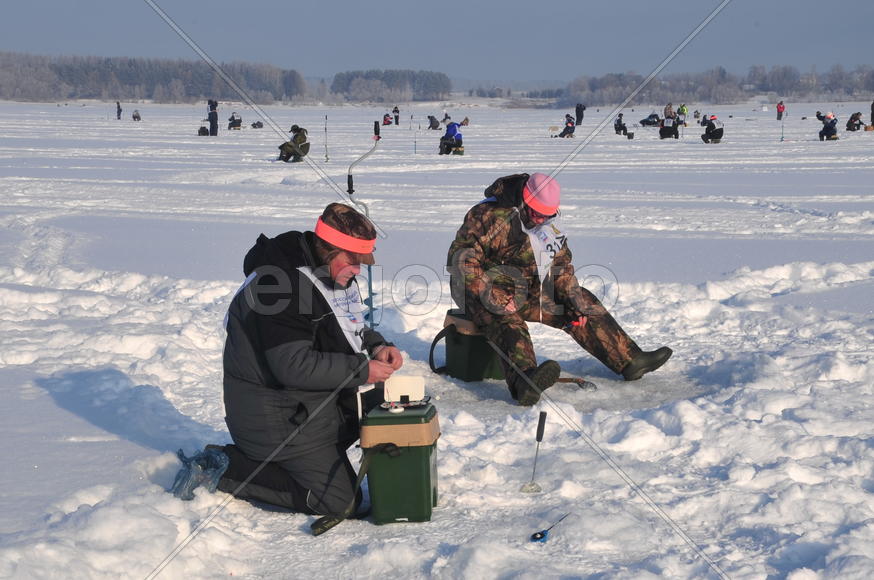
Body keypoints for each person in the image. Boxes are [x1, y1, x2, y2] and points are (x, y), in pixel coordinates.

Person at [180, 203, 403, 518]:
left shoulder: (334, 275)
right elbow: (293, 366)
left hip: (308, 403)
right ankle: (225, 467)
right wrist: (362, 369)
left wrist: (378, 346)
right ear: (327, 248)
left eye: (362, 262)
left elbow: (348, 327)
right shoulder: (278, 287)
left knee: (388, 406)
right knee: (340, 503)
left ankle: (319, 459)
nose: (358, 269)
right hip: (274, 417)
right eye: (353, 260)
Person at [446, 173, 672, 406]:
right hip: (476, 290)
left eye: (546, 215)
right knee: (506, 318)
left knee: (582, 300)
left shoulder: (548, 223)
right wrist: (495, 295)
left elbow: (560, 267)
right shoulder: (487, 215)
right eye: (536, 213)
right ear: (524, 200)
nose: (540, 219)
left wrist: (573, 303)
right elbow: (461, 262)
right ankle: (525, 381)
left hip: (525, 288)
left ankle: (630, 360)